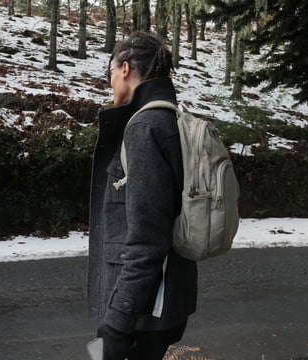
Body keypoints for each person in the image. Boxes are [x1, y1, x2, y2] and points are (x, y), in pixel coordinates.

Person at [87, 31, 198, 360]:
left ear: (124, 69)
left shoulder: (144, 128)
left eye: (109, 74)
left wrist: (117, 322)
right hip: (159, 301)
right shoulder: (170, 120)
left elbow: (147, 237)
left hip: (140, 311)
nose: (109, 84)